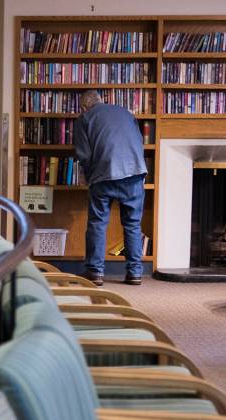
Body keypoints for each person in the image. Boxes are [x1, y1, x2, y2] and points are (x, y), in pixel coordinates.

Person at [73, 91, 148, 285]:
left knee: (98, 223)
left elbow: (84, 154)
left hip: (104, 174)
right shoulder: (126, 113)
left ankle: (95, 273)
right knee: (132, 224)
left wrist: (90, 177)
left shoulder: (84, 118)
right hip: (134, 172)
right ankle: (135, 273)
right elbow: (139, 143)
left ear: (84, 107)